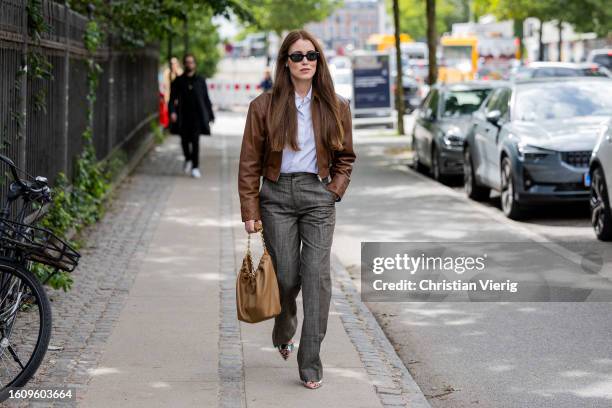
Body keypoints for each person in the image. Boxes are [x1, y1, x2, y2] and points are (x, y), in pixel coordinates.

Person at [238, 30, 356, 390]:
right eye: (297, 56)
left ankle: (310, 363)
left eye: (311, 56)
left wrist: (333, 191)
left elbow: (346, 158)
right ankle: (284, 324)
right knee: (287, 276)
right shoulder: (263, 106)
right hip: (276, 197)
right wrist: (250, 208)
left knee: (317, 278)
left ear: (319, 61)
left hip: (317, 195)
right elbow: (249, 163)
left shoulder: (336, 106)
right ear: (285, 63)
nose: (305, 61)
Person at [168, 54, 214, 178]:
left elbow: (206, 98)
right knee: (184, 141)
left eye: (191, 62)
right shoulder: (178, 81)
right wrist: (172, 111)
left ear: (195, 64)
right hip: (183, 116)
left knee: (195, 141)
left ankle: (195, 166)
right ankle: (188, 158)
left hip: (197, 117)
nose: (189, 64)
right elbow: (172, 99)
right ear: (184, 64)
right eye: (187, 62)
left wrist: (210, 115)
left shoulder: (200, 80)